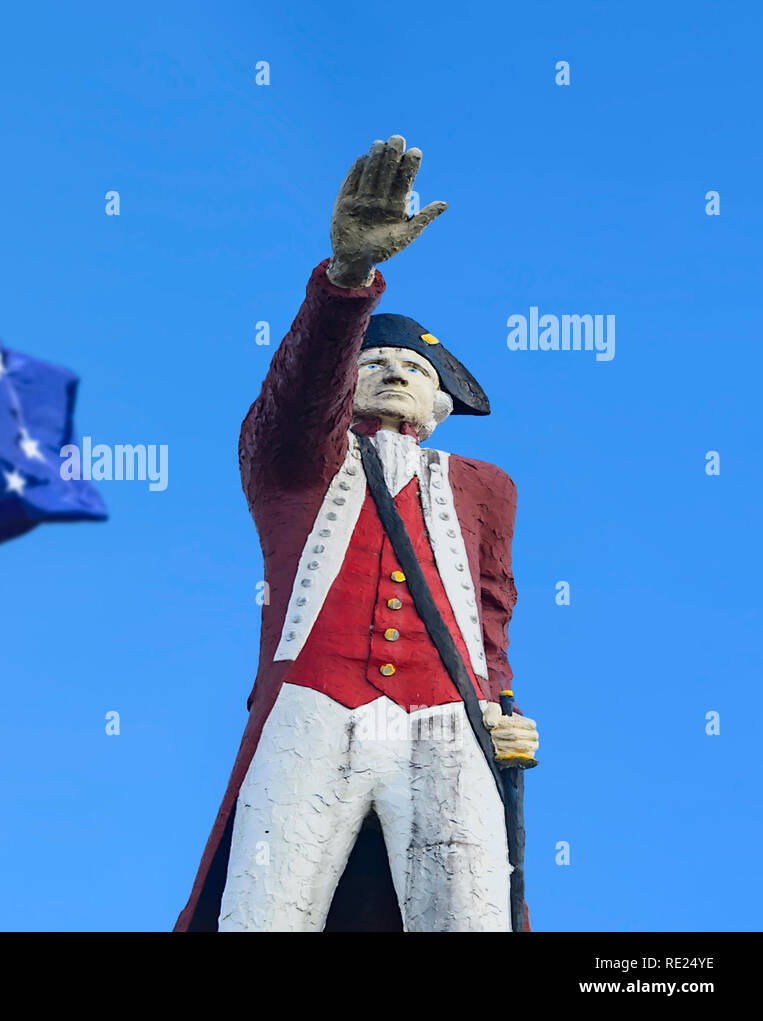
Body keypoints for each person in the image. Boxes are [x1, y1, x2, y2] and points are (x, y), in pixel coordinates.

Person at [175, 135, 539, 932]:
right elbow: (300, 394)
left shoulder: (484, 487)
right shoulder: (300, 461)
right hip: (312, 704)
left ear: (441, 403)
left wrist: (504, 704)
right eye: (374, 362)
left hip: (450, 716)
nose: (396, 373)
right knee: (263, 910)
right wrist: (347, 284)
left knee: (471, 911)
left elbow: (487, 613)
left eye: (415, 369)